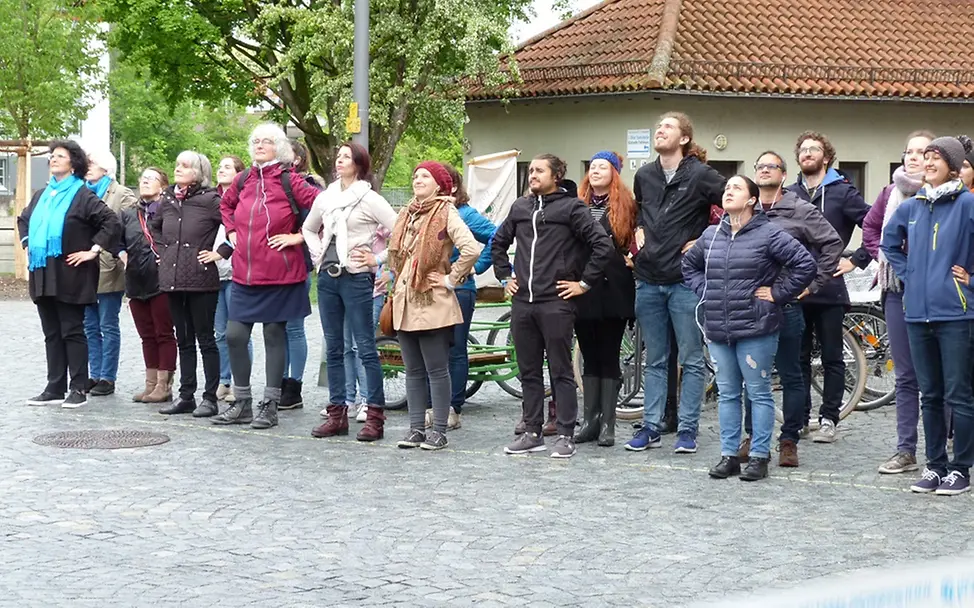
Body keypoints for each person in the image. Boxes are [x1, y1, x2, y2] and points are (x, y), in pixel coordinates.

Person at [684, 175, 816, 481]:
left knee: (758, 392)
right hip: (718, 327)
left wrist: (778, 293)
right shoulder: (710, 235)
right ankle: (729, 455)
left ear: (752, 200)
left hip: (757, 326)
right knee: (728, 392)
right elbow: (688, 266)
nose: (728, 191)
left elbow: (805, 264)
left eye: (736, 188)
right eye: (726, 188)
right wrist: (705, 289)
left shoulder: (768, 233)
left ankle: (759, 455)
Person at [492, 154, 614, 459]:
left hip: (556, 303)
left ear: (556, 175)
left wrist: (583, 284)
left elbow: (603, 245)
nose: (532, 175)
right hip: (523, 303)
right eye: (530, 170)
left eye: (539, 170)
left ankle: (565, 434)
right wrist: (505, 276)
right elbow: (498, 243)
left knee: (561, 371)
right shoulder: (520, 207)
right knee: (528, 371)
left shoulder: (572, 207)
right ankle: (532, 432)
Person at [627, 112, 725, 454]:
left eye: (667, 127)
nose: (659, 130)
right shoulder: (644, 175)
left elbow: (733, 203)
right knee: (655, 359)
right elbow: (641, 213)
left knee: (692, 359)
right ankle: (651, 426)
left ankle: (687, 429)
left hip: (685, 281)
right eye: (658, 126)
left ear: (683, 138)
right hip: (648, 279)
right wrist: (638, 242)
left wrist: (706, 239)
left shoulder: (700, 175)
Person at [738, 151, 843, 467]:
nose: (765, 170)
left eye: (772, 166)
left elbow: (832, 244)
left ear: (784, 175)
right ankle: (754, 437)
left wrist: (810, 285)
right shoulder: (746, 209)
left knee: (791, 375)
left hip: (786, 306)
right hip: (752, 307)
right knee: (752, 376)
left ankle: (788, 440)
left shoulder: (799, 209)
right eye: (760, 166)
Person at [882, 135, 974, 496]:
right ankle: (935, 466)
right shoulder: (912, 207)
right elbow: (889, 244)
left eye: (937, 157)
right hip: (917, 313)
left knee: (959, 394)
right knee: (930, 395)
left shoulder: (968, 205)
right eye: (926, 156)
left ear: (953, 166)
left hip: (956, 314)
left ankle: (960, 468)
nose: (929, 161)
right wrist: (910, 274)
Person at [215, 123, 319, 429]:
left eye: (267, 141)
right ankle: (243, 402)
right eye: (256, 141)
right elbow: (225, 205)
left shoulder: (290, 180)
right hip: (245, 272)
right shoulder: (244, 178)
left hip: (280, 273)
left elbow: (322, 207)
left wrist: (299, 237)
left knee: (274, 336)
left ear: (280, 148)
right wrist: (232, 230)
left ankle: (270, 405)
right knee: (234, 335)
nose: (260, 145)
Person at [302, 142, 398, 441]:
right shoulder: (326, 197)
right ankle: (337, 413)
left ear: (359, 163)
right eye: (339, 156)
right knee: (333, 348)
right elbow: (308, 228)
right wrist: (318, 255)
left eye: (347, 156)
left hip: (356, 278)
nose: (340, 160)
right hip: (329, 279)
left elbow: (399, 231)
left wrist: (378, 259)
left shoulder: (369, 198)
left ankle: (375, 417)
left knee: (365, 347)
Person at [19, 140, 121, 408]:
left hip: (71, 274)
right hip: (42, 271)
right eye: (52, 156)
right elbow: (24, 219)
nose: (53, 159)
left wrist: (93, 250)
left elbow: (110, 221)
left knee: (72, 331)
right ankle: (54, 387)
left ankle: (78, 388)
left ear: (73, 163)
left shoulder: (82, 195)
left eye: (60, 156)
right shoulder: (42, 194)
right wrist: (29, 243)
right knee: (51, 332)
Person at [785, 131, 872, 444]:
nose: (808, 153)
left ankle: (828, 418)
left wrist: (857, 259)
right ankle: (800, 417)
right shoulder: (789, 193)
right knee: (798, 357)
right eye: (803, 149)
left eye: (814, 149)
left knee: (833, 357)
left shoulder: (843, 193)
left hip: (830, 288)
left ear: (826, 157)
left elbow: (874, 225)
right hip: (795, 286)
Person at [390, 162, 480, 450]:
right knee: (413, 370)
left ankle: (438, 431)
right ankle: (416, 429)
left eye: (425, 176)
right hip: (405, 300)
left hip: (433, 302)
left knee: (437, 370)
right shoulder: (406, 213)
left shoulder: (445, 211)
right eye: (415, 175)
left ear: (439, 184)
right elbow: (399, 255)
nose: (418, 180)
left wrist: (451, 278)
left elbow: (471, 248)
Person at [862, 130, 935, 474]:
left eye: (921, 152)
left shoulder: (945, 197)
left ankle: (945, 443)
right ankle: (905, 449)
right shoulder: (890, 193)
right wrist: (887, 259)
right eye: (909, 151)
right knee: (906, 375)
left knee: (939, 372)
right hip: (896, 290)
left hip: (937, 291)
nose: (913, 157)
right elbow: (871, 228)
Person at [150, 151, 225, 418]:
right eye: (177, 164)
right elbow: (154, 226)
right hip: (172, 279)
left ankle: (210, 397)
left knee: (205, 339)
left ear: (199, 172)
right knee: (183, 340)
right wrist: (164, 251)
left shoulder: (211, 200)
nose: (178, 169)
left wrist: (220, 252)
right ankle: (186, 395)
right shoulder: (168, 199)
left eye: (185, 165)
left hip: (201, 279)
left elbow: (237, 225)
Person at [421, 164, 496, 431]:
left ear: (451, 186)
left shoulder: (465, 214)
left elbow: (497, 235)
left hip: (459, 289)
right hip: (430, 289)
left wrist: (475, 267)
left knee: (455, 348)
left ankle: (453, 408)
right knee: (432, 350)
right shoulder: (426, 213)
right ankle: (432, 406)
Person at [573, 151, 637, 448]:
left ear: (614, 172)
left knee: (608, 354)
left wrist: (634, 258)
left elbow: (639, 239)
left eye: (603, 166)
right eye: (593, 166)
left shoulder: (627, 205)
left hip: (614, 289)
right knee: (589, 353)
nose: (596, 170)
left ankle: (608, 424)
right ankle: (590, 421)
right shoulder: (577, 204)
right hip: (583, 288)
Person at [118, 167, 177, 403]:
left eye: (150, 179)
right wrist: (122, 254)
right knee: (146, 335)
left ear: (162, 186)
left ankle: (164, 385)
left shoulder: (171, 211)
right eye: (142, 178)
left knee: (163, 333)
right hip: (135, 281)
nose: (144, 181)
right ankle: (150, 384)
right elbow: (117, 240)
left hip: (161, 281)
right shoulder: (129, 214)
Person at [83, 149, 137, 396]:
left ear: (106, 168)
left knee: (107, 323)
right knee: (89, 326)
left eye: (92, 162)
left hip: (109, 267)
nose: (88, 166)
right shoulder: (82, 192)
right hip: (84, 268)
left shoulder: (122, 194)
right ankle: (93, 374)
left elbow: (128, 232)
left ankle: (107, 376)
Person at [278, 139, 320, 411]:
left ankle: (294, 386)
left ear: (297, 159)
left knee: (293, 327)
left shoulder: (308, 186)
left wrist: (296, 237)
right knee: (276, 328)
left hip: (297, 264)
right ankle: (277, 383)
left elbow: (314, 224)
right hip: (273, 266)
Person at [213, 155, 249, 403]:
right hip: (214, 273)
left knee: (239, 333)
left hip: (237, 271)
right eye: (220, 166)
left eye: (227, 166)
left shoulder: (243, 199)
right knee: (219, 333)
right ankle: (223, 380)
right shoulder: (211, 199)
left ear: (239, 173)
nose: (221, 169)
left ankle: (240, 383)